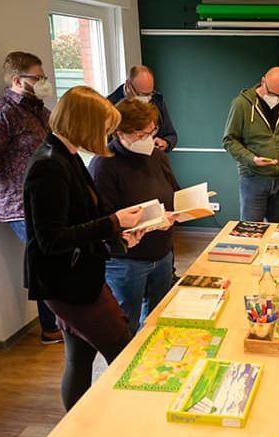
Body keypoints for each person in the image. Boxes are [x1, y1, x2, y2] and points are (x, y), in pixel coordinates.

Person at [23, 86, 146, 411]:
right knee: (125, 353)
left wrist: (119, 236)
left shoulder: (68, 155)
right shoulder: (49, 166)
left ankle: (76, 428)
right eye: (104, 128)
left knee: (79, 358)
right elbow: (52, 239)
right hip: (68, 284)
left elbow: (84, 218)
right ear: (83, 124)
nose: (106, 135)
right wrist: (114, 222)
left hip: (79, 276)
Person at [0, 51, 62, 344]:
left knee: (54, 259)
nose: (44, 82)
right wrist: (14, 181)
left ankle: (59, 322)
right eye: (38, 77)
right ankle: (52, 327)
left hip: (48, 198)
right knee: (47, 261)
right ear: (18, 81)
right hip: (21, 204)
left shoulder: (39, 111)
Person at [89, 98, 181, 334]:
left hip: (162, 253)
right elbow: (102, 219)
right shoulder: (104, 164)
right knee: (124, 326)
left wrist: (177, 213)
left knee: (156, 322)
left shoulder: (156, 156)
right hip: (127, 261)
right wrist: (148, 222)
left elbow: (173, 191)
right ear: (120, 132)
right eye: (141, 134)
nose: (149, 139)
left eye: (152, 131)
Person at [223, 66, 279, 223]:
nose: (277, 98)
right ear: (263, 82)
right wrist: (252, 159)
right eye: (274, 94)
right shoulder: (242, 104)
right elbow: (229, 140)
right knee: (251, 228)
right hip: (253, 177)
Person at [107, 65, 178, 152]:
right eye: (142, 94)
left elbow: (171, 135)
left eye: (150, 93)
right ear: (128, 85)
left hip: (153, 157)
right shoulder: (109, 107)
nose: (147, 97)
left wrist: (165, 143)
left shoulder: (156, 100)